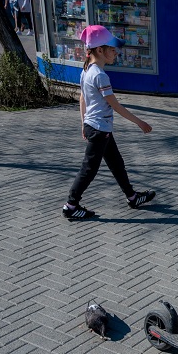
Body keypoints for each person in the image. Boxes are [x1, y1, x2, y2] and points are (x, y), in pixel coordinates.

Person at [62, 25, 155, 220]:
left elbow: (82, 99)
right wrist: (140, 122)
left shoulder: (87, 70)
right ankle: (71, 205)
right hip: (99, 129)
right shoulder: (100, 75)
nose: (116, 52)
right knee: (89, 169)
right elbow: (115, 106)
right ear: (99, 50)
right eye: (112, 49)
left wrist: (83, 123)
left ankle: (132, 197)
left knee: (116, 163)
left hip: (95, 126)